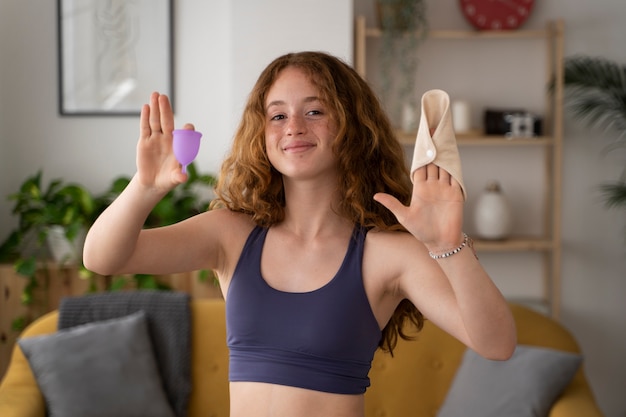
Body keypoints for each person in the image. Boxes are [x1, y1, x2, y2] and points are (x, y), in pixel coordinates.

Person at [83, 51, 516, 417]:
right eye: (277, 114)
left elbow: (497, 345)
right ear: (262, 132)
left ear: (351, 127)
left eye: (314, 111)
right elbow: (103, 258)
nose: (293, 126)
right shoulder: (230, 235)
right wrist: (146, 187)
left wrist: (447, 247)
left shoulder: (388, 255)